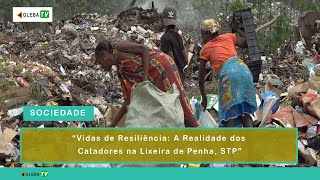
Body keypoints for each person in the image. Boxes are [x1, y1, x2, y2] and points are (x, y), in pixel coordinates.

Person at [95, 40, 199, 127]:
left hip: (161, 67)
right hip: (151, 76)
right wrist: (112, 125)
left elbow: (144, 49)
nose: (101, 67)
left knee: (177, 102)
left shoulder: (119, 48)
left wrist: (144, 80)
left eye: (100, 62)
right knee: (163, 106)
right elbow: (129, 99)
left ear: (104, 55)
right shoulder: (122, 71)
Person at [198, 18, 257, 127]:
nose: (202, 37)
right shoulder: (229, 37)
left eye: (202, 34)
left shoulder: (205, 49)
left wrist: (204, 98)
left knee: (230, 115)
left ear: (207, 34)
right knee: (245, 114)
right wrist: (238, 29)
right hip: (244, 70)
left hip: (230, 75)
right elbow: (248, 42)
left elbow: (201, 80)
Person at [160, 7, 188, 82]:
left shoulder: (165, 38)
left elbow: (170, 60)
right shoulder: (178, 35)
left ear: (163, 21)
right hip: (181, 75)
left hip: (173, 77)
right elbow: (185, 58)